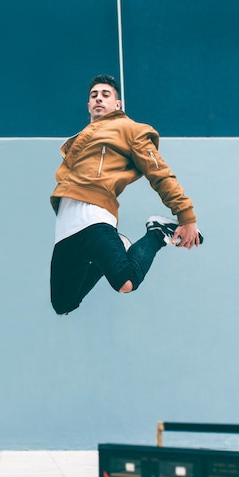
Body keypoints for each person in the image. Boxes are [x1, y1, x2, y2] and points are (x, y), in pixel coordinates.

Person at [49, 74, 203, 315]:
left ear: (118, 104)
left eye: (105, 95)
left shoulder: (130, 130)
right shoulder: (81, 140)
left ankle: (157, 233)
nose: (99, 98)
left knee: (125, 281)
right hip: (65, 228)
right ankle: (116, 247)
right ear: (89, 105)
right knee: (63, 304)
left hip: (94, 217)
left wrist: (186, 215)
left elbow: (159, 172)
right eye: (94, 95)